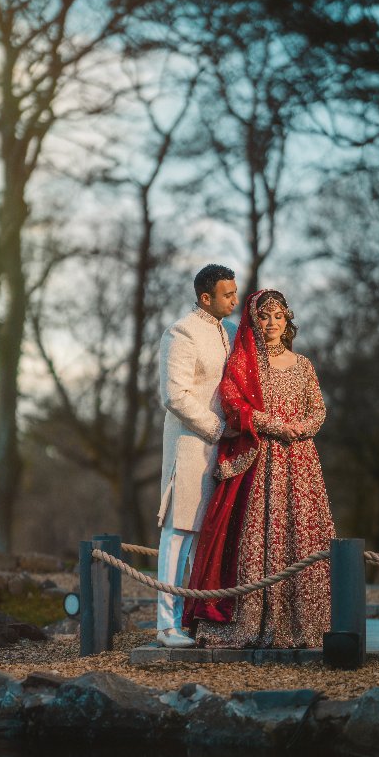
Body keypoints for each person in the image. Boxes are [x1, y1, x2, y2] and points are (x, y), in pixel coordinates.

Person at [183, 289, 335, 648]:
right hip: (263, 460)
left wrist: (304, 427)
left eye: (278, 317)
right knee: (260, 536)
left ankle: (305, 624)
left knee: (303, 537)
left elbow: (319, 409)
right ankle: (255, 622)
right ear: (253, 322)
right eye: (264, 317)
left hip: (301, 463)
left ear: (288, 321)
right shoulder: (244, 364)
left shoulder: (304, 365)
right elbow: (233, 403)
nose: (271, 323)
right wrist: (276, 425)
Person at [156, 264, 239, 647]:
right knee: (179, 538)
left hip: (225, 454)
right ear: (206, 297)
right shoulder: (182, 332)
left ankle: (200, 621)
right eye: (228, 294)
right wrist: (219, 429)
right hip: (191, 450)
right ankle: (166, 627)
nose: (235, 300)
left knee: (211, 541)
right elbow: (175, 396)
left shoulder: (230, 332)